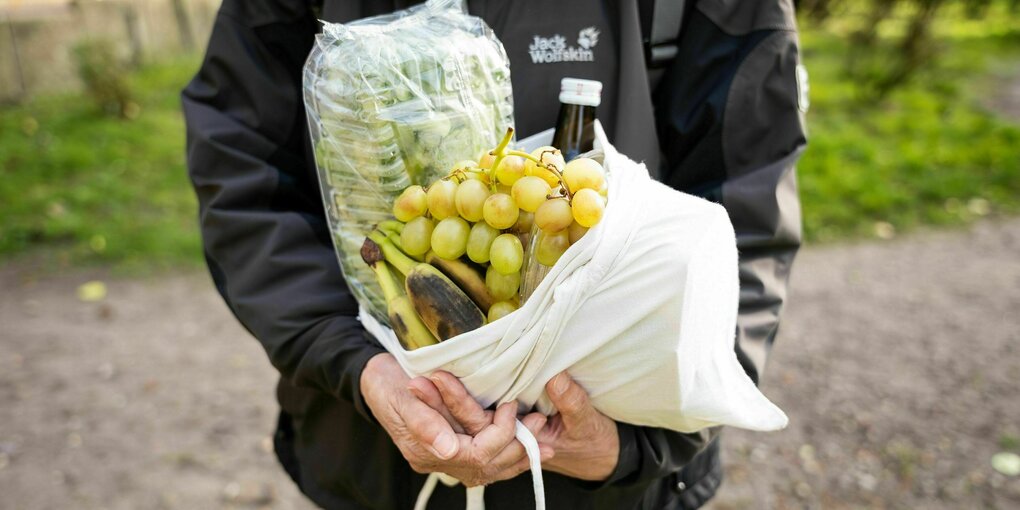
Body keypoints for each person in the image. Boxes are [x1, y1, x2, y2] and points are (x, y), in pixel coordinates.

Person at [182, 0, 805, 508]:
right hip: (368, 464)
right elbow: (243, 169)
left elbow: (743, 208)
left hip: (615, 486)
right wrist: (348, 359)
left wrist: (639, 446)